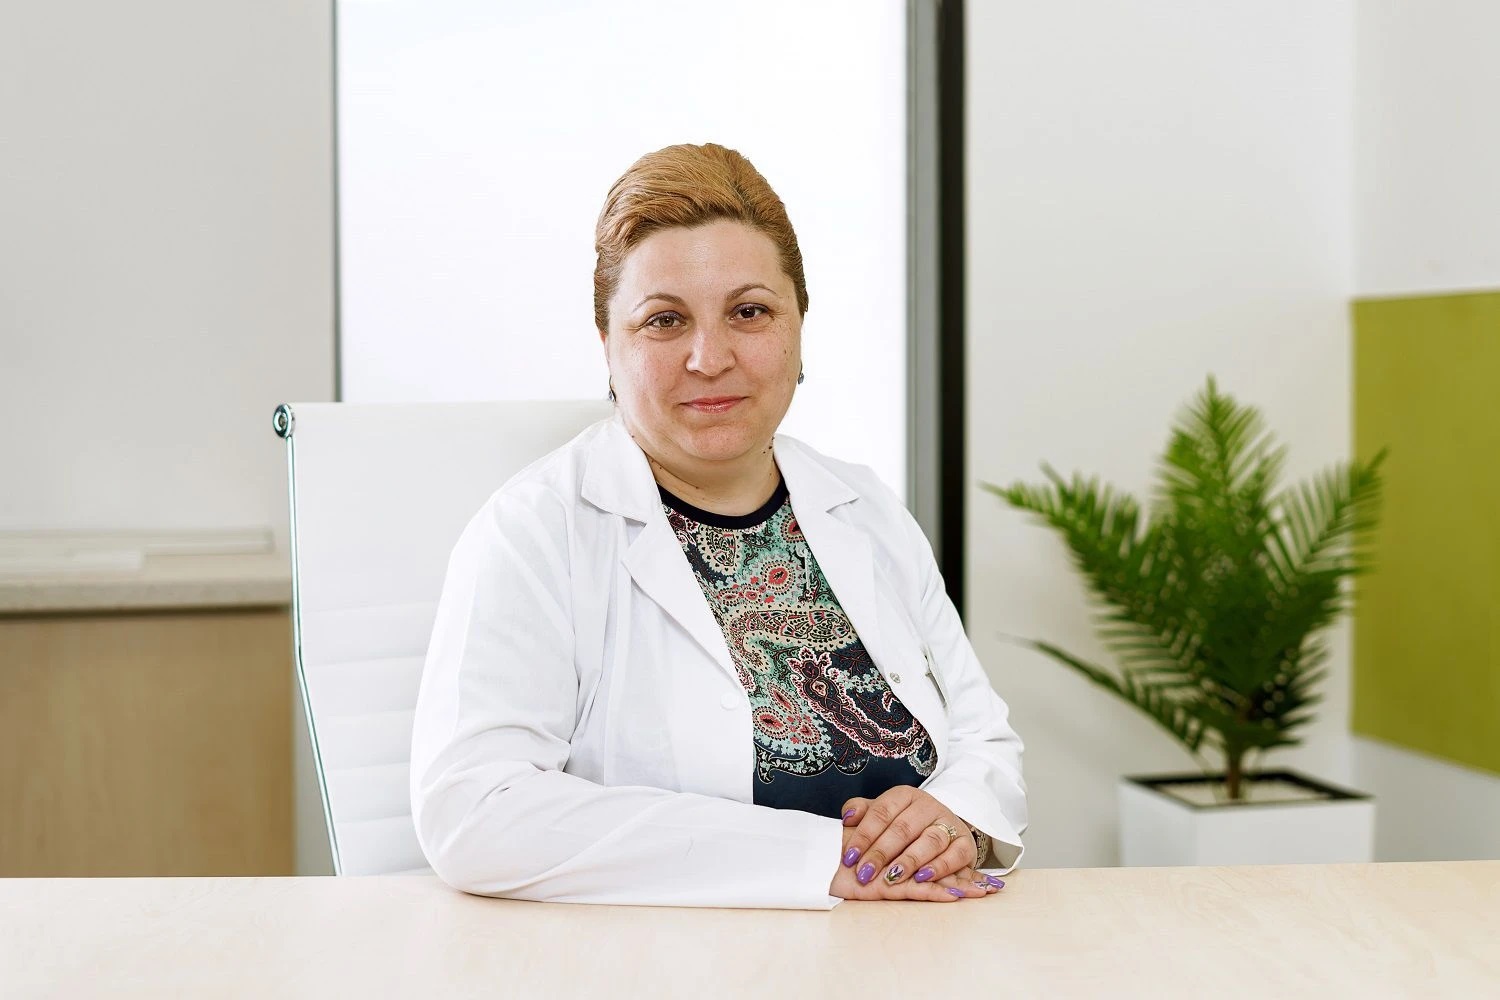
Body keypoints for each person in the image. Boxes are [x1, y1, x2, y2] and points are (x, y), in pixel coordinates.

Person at [410, 143, 1026, 909]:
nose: (710, 357)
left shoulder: (863, 506)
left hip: (916, 946)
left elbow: (983, 738)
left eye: (749, 312)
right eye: (665, 320)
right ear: (608, 345)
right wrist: (816, 858)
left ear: (798, 326)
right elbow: (474, 812)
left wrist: (951, 818)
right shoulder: (535, 532)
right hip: (665, 959)